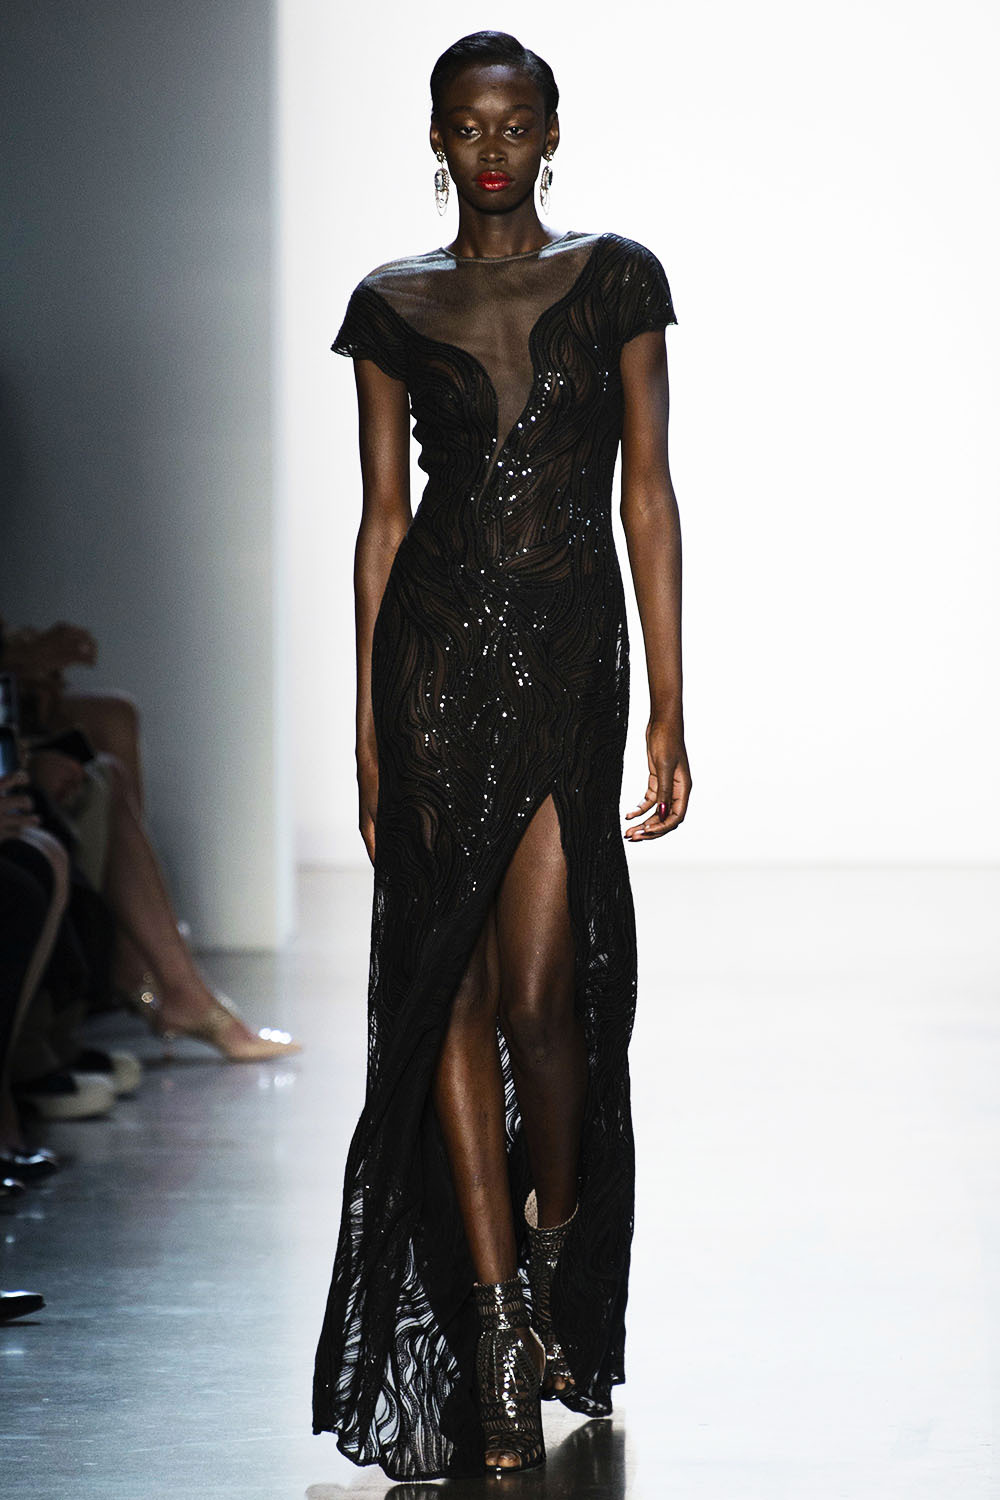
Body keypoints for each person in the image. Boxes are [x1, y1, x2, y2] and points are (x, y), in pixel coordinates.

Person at [313, 30, 692, 1482]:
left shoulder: (619, 279)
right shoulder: (391, 304)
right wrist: (366, 728)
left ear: (550, 130)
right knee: (451, 994)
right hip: (434, 663)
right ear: (435, 135)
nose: (491, 145)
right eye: (466, 123)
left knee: (548, 1001)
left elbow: (648, 493)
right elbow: (381, 523)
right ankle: (489, 1335)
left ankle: (548, 1265)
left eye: (514, 121)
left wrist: (667, 705)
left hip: (570, 662)